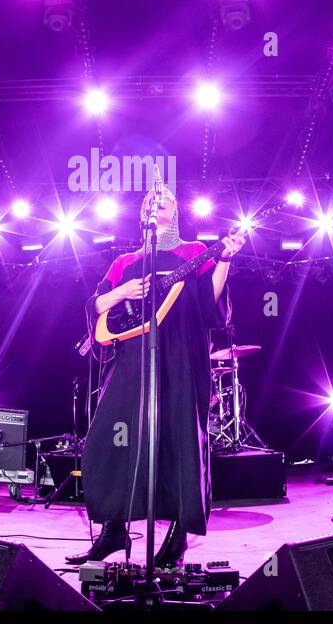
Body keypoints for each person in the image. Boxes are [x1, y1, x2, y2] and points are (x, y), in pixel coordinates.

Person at [67, 186, 245, 567]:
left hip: (181, 358)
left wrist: (226, 260)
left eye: (162, 201)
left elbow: (210, 304)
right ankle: (113, 532)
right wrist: (121, 293)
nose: (153, 204)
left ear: (176, 212)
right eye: (148, 201)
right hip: (131, 360)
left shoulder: (194, 252)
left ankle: (178, 536)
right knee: (109, 438)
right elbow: (95, 304)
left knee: (179, 437)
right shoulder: (125, 261)